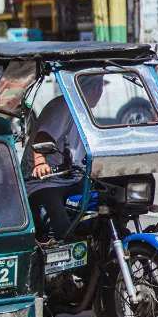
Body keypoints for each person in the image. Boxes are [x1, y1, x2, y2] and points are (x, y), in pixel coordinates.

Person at [25, 75, 104, 243]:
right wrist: (40, 162)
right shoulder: (63, 107)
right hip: (47, 179)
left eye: (100, 86)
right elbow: (42, 137)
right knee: (61, 223)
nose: (98, 92)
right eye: (94, 87)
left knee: (108, 199)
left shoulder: (85, 111)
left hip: (74, 177)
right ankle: (70, 251)